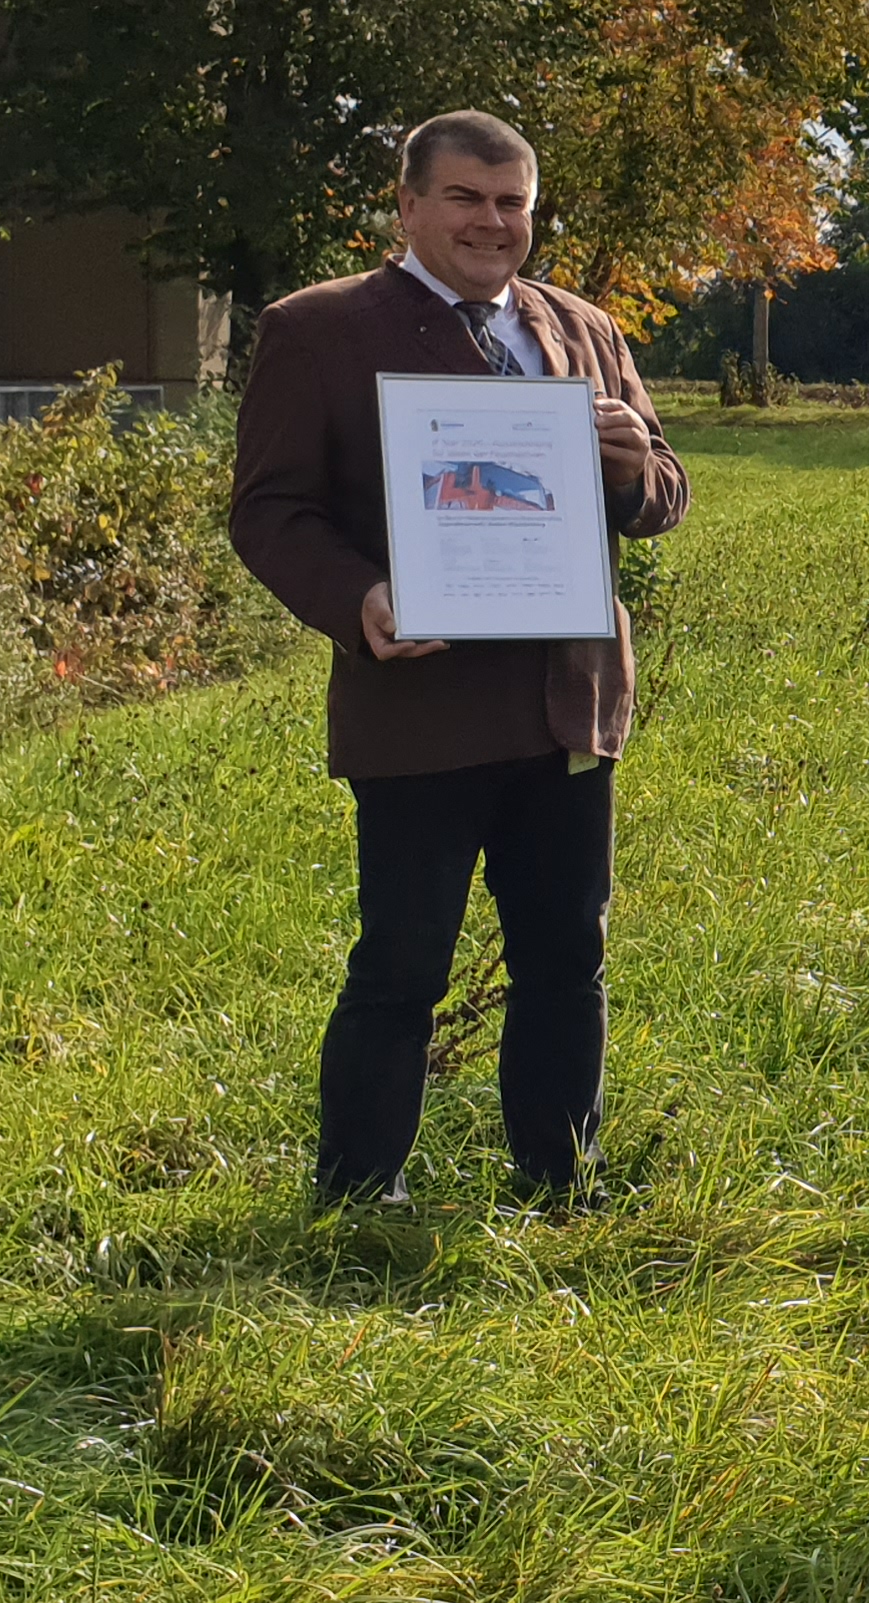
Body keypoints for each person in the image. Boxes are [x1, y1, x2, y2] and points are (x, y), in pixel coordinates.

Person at [231, 109, 690, 1206]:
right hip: (421, 704)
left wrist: (633, 468)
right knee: (402, 966)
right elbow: (269, 512)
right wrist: (361, 599)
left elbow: (663, 498)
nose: (492, 223)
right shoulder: (319, 330)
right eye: (465, 199)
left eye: (512, 203)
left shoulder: (581, 329)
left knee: (566, 964)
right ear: (407, 206)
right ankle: (356, 1192)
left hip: (567, 704)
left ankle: (559, 1180)